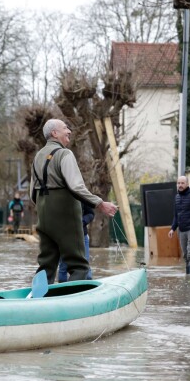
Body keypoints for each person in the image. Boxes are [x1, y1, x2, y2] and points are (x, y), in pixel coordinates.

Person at [30, 119, 118, 284]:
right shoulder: (65, 154)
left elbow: (32, 192)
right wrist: (100, 203)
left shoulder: (38, 156)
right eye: (65, 128)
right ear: (54, 133)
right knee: (78, 264)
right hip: (66, 214)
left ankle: (39, 299)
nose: (69, 131)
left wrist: (45, 210)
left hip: (44, 214)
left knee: (46, 264)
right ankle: (77, 299)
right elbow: (76, 186)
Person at [58, 201, 95, 282]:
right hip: (64, 236)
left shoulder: (82, 195)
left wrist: (82, 221)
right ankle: (61, 290)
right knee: (63, 267)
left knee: (86, 267)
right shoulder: (59, 196)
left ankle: (88, 288)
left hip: (82, 235)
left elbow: (91, 214)